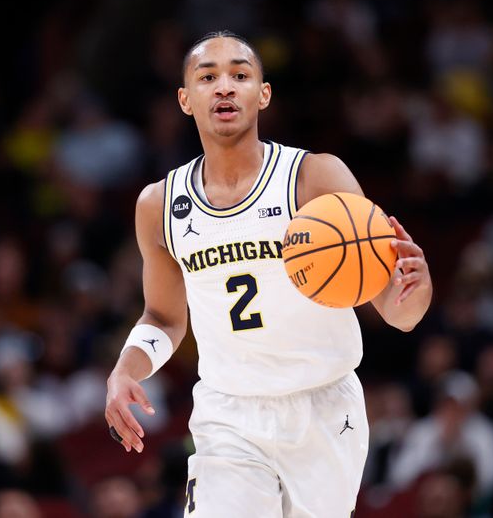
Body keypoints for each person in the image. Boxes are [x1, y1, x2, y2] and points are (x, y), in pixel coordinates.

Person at [104, 30, 432, 517]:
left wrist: (415, 287)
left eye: (240, 75)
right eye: (207, 77)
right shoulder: (158, 205)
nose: (223, 87)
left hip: (323, 407)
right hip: (227, 414)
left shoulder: (315, 178)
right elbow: (163, 317)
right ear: (185, 99)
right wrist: (126, 370)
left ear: (263, 93)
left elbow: (397, 313)